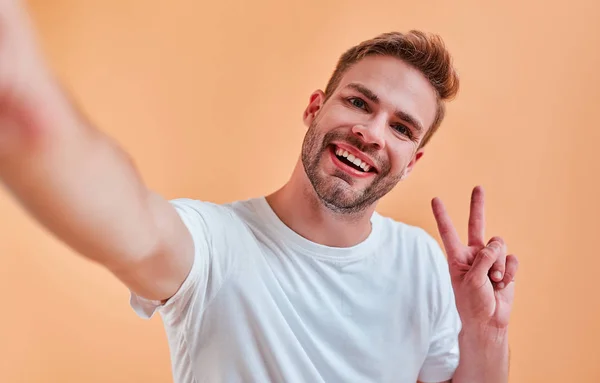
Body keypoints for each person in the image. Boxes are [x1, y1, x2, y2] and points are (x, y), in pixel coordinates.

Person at [0, 1, 520, 382]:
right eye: (360, 103)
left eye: (402, 128)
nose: (372, 133)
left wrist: (485, 332)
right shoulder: (215, 245)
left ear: (412, 163)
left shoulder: (423, 263)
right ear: (315, 108)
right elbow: (133, 225)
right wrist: (32, 118)